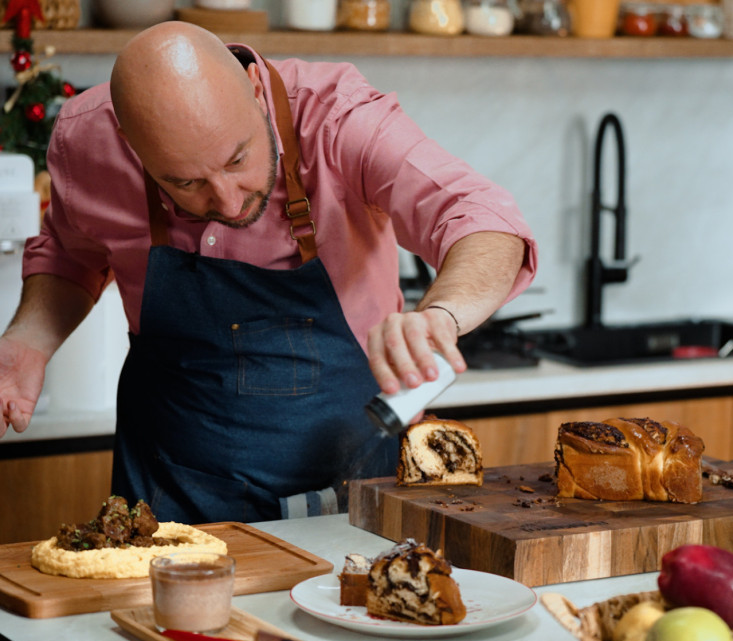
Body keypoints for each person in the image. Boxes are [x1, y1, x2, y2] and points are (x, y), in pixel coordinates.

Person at [0, 22, 537, 523]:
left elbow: (484, 220)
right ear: (129, 143)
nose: (228, 201)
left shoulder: (338, 118)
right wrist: (29, 341)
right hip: (168, 498)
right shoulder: (87, 141)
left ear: (256, 89)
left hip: (350, 494)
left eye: (237, 160)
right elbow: (72, 254)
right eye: (185, 183)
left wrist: (441, 314)